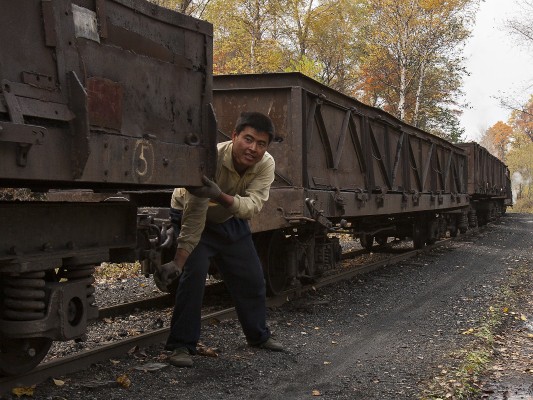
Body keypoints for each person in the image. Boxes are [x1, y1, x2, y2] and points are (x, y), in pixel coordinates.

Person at [156, 111, 284, 368]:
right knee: (193, 278)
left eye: (261, 144)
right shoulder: (209, 160)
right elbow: (195, 217)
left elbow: (251, 207)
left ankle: (258, 336)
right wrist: (179, 262)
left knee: (252, 278)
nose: (253, 148)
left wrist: (221, 196)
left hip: (228, 217)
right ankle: (180, 345)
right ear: (234, 135)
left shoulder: (266, 164)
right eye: (248, 139)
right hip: (193, 213)